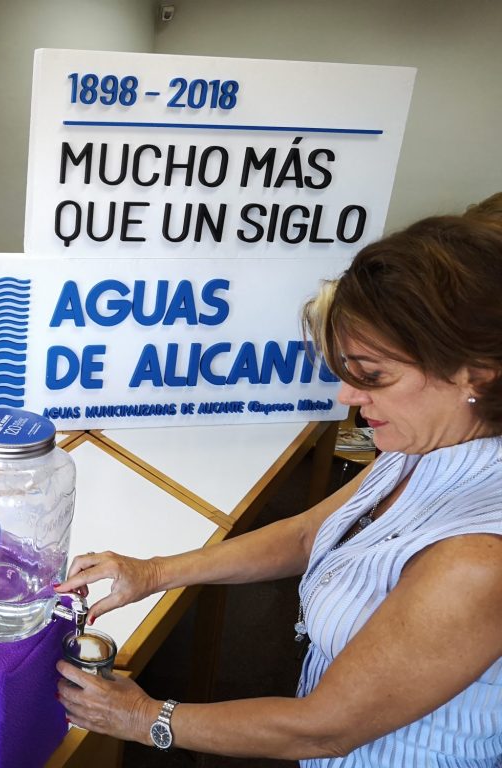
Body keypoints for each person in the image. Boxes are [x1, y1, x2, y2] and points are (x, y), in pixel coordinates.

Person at [54, 215, 502, 766]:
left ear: (477, 374)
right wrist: (154, 572)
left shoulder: (477, 559)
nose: (346, 395)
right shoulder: (424, 447)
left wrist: (145, 719)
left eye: (373, 375)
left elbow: (323, 730)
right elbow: (310, 531)